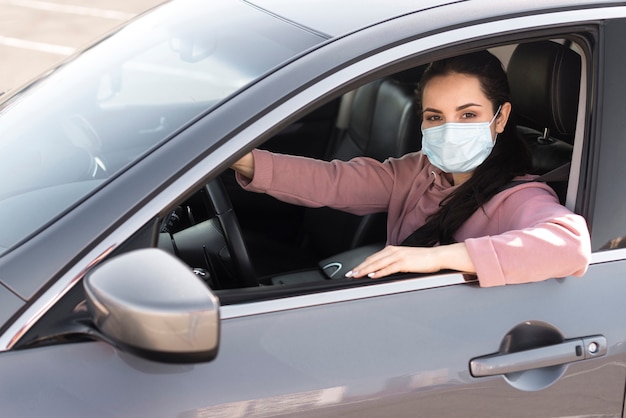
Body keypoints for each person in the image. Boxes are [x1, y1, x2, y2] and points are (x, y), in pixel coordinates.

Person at [231, 50, 591, 287]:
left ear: (501, 118)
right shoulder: (416, 172)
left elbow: (570, 244)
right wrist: (241, 158)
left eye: (468, 115)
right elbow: (333, 181)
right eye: (435, 117)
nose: (449, 129)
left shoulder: (519, 196)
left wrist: (434, 258)